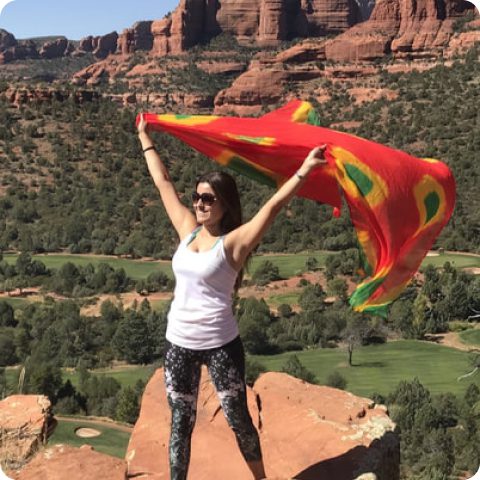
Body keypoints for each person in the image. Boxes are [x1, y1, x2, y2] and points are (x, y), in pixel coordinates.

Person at [137, 114, 327, 480]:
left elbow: (272, 208)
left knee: (238, 418)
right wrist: (145, 137)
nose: (199, 204)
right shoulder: (188, 232)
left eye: (208, 199)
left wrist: (304, 170)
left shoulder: (234, 244)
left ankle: (260, 478)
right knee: (181, 424)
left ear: (224, 205)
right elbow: (162, 183)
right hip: (178, 344)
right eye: (196, 197)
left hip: (221, 345)